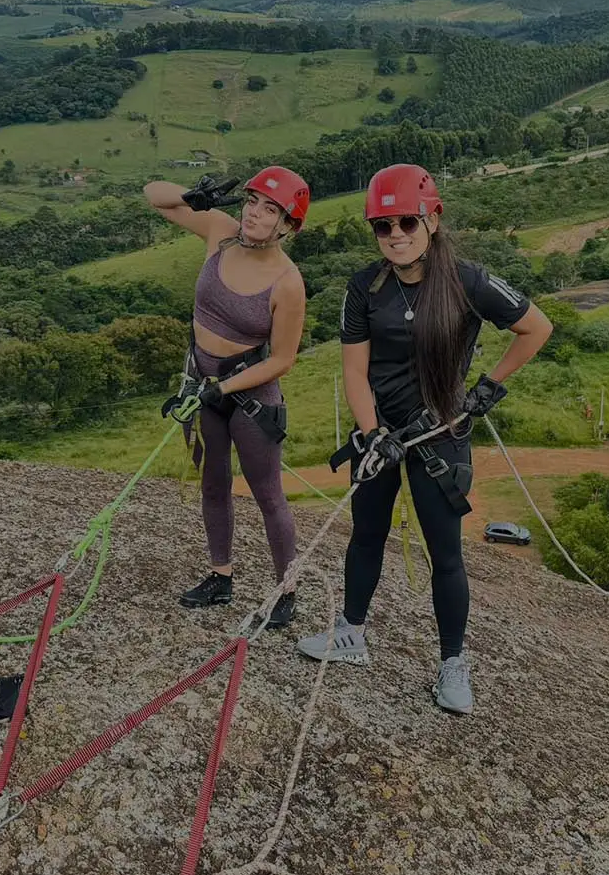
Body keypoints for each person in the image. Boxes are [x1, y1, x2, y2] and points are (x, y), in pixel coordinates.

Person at [296, 164, 553, 712]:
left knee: (447, 554)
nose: (395, 235)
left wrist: (489, 386)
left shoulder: (468, 281)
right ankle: (350, 635)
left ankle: (453, 665)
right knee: (365, 536)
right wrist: (372, 434)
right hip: (380, 433)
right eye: (382, 226)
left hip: (441, 434)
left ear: (432, 220)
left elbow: (537, 326)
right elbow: (354, 373)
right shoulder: (363, 288)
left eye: (407, 221)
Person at [144, 167, 309, 627]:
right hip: (203, 385)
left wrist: (224, 388)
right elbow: (153, 195)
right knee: (213, 483)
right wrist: (190, 194)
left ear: (288, 226)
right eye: (252, 202)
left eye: (270, 209)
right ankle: (220, 576)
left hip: (250, 399)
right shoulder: (221, 232)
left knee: (268, 495)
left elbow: (282, 360)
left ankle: (285, 592)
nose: (254, 213)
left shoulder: (287, 283)